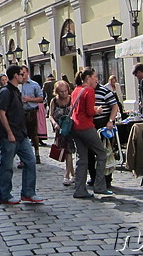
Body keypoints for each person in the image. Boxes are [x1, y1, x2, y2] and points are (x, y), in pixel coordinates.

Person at [0, 65, 43, 205]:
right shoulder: (6, 92)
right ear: (15, 76)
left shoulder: (16, 91)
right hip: (10, 135)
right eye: (22, 74)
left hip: (21, 134)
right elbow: (2, 114)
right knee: (7, 165)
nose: (24, 76)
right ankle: (5, 195)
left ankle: (28, 192)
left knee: (30, 161)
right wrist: (9, 132)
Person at [70, 68, 112, 198]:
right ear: (88, 77)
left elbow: (79, 109)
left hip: (75, 127)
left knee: (82, 159)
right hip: (86, 127)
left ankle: (79, 189)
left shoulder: (76, 90)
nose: (96, 79)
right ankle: (100, 185)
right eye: (95, 76)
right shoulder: (89, 90)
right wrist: (97, 110)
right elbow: (89, 112)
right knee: (101, 154)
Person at [87, 70, 119, 189]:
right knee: (90, 153)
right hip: (90, 124)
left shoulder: (105, 91)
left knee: (105, 152)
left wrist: (110, 120)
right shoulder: (86, 91)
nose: (95, 80)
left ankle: (107, 178)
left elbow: (114, 106)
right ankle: (94, 176)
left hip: (103, 124)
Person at [48, 80, 75, 186]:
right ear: (57, 92)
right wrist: (55, 124)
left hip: (71, 129)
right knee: (66, 152)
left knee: (68, 152)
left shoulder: (71, 99)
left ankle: (67, 176)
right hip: (60, 130)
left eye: (65, 91)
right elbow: (50, 115)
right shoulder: (54, 101)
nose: (64, 93)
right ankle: (74, 175)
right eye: (61, 92)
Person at [20, 67, 44, 163]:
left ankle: (37, 154)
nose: (22, 75)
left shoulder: (34, 85)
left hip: (31, 111)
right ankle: (23, 158)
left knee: (34, 134)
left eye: (24, 73)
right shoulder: (18, 85)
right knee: (22, 135)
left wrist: (30, 99)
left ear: (28, 73)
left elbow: (41, 98)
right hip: (21, 112)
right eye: (20, 74)